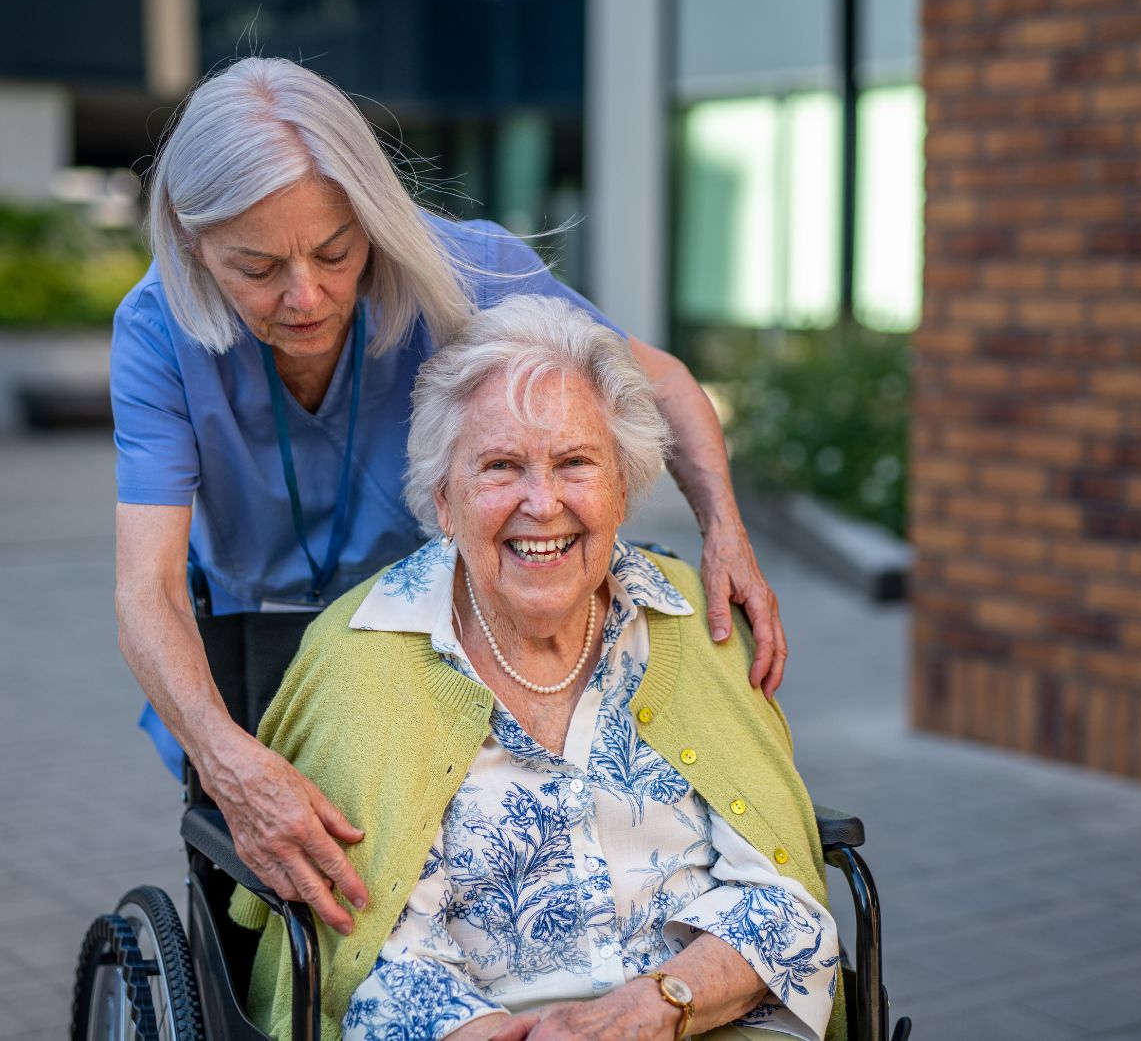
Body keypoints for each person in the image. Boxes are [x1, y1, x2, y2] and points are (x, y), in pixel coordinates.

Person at [111, 56, 787, 935]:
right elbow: (147, 587)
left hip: (442, 633)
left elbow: (661, 384)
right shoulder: (158, 329)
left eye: (335, 251)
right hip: (258, 641)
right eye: (256, 268)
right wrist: (228, 760)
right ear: (193, 241)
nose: (305, 295)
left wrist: (724, 532)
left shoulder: (459, 267)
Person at [231, 296, 842, 1041]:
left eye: (575, 463)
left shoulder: (694, 619)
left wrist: (653, 1009)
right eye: (501, 466)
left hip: (697, 1018)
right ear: (444, 500)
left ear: (623, 486)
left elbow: (785, 899)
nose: (542, 503)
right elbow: (372, 962)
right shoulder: (359, 657)